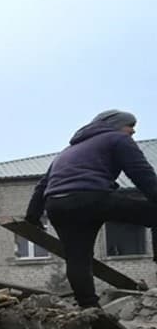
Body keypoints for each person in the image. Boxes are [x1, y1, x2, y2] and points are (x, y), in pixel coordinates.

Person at [25, 110, 157, 309]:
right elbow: (142, 175)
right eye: (130, 125)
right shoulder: (117, 139)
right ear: (115, 124)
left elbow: (42, 186)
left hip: (57, 205)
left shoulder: (67, 151)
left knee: (78, 257)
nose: (133, 131)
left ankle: (90, 309)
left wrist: (33, 217)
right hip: (91, 197)